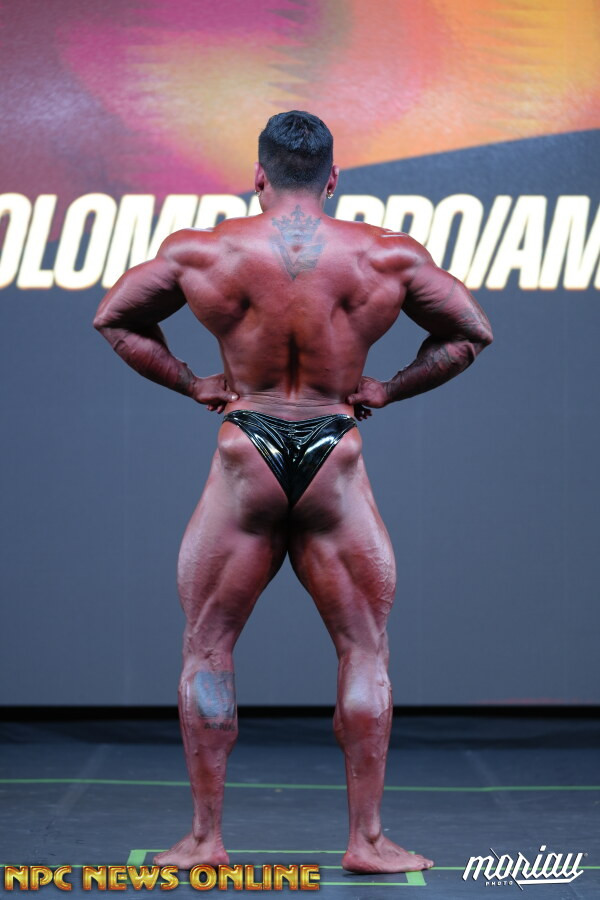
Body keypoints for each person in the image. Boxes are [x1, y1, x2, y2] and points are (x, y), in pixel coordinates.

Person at [93, 110, 493, 874]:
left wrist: (192, 381)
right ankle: (366, 841)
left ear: (259, 175)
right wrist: (388, 387)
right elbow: (471, 332)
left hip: (246, 448)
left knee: (208, 646)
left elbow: (114, 318)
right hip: (333, 450)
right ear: (333, 178)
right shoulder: (385, 255)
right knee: (364, 648)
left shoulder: (206, 251)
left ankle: (205, 840)